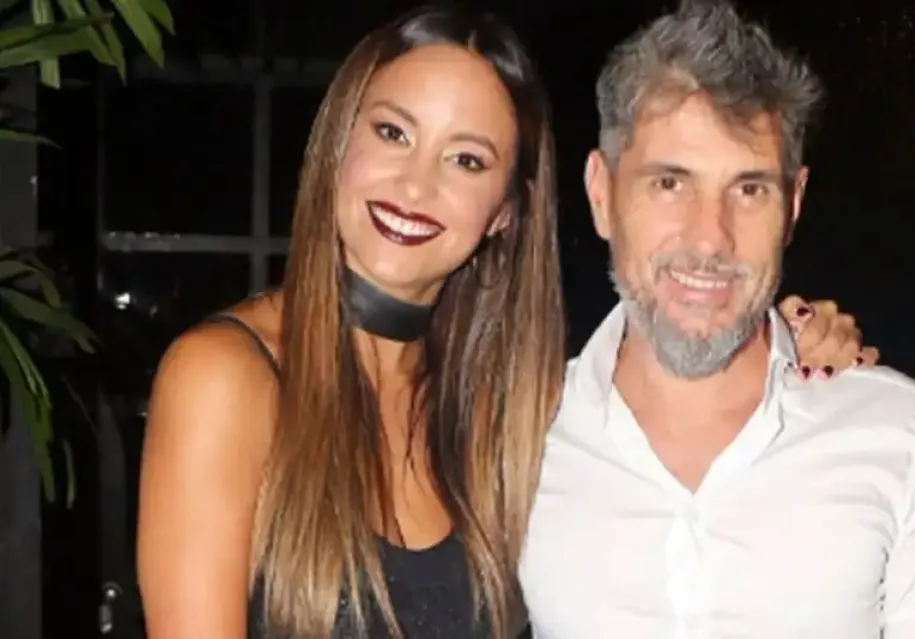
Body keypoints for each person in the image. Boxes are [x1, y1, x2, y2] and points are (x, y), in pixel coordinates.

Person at [136, 5, 875, 639]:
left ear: (503, 213)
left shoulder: (505, 407)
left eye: (466, 161)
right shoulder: (227, 378)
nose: (415, 185)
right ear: (337, 145)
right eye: (393, 133)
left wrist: (790, 342)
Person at [519, 1, 915, 638]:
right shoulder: (519, 438)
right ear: (601, 194)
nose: (710, 238)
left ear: (792, 206)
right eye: (670, 183)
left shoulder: (895, 434)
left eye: (749, 189)